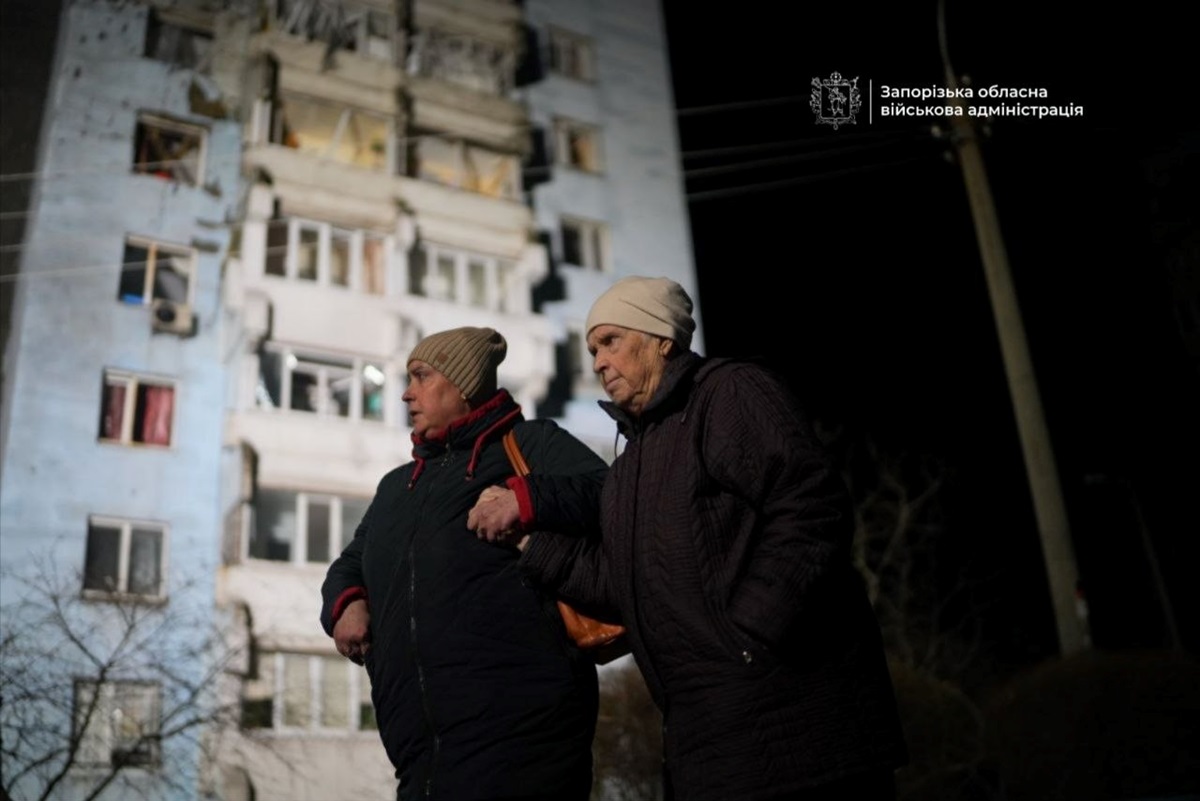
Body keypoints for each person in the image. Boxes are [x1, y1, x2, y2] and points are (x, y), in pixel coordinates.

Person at [490, 277, 908, 800]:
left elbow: (809, 505)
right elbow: (623, 582)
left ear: (661, 339)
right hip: (709, 741)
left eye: (611, 341)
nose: (598, 362)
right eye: (593, 349)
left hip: (799, 724)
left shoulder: (728, 393)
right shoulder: (631, 463)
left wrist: (750, 636)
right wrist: (531, 545)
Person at [320, 326, 607, 801]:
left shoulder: (530, 444)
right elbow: (352, 562)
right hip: (420, 758)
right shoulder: (396, 486)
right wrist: (345, 603)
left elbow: (610, 493)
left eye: (421, 376)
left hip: (523, 744)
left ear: (464, 383)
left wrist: (526, 497)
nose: (406, 393)